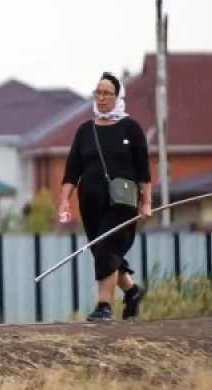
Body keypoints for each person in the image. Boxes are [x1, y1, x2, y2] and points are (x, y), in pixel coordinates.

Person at [58, 72, 153, 322]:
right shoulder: (85, 131)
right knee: (104, 251)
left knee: (107, 247)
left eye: (107, 93)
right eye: (97, 93)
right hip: (90, 206)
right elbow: (72, 170)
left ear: (118, 96)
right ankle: (132, 291)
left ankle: (104, 306)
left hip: (121, 202)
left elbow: (143, 170)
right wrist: (65, 201)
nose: (101, 98)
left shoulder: (131, 128)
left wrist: (147, 203)